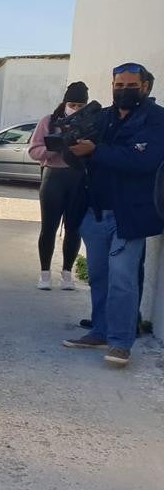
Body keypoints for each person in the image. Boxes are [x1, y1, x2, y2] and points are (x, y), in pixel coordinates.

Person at [63, 63, 164, 367]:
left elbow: (142, 160)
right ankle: (100, 330)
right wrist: (70, 147)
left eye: (130, 85)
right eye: (118, 85)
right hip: (95, 211)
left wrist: (94, 151)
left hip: (129, 214)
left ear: (145, 87)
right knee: (99, 276)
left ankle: (121, 342)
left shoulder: (157, 120)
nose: (123, 90)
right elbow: (78, 158)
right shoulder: (102, 117)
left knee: (123, 279)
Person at [28, 82, 90, 290]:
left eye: (81, 105)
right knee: (49, 227)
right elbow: (34, 151)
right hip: (53, 176)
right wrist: (55, 147)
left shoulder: (91, 122)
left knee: (74, 228)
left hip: (79, 177)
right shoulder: (49, 121)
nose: (76, 109)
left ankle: (67, 273)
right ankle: (45, 273)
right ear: (65, 103)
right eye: (73, 104)